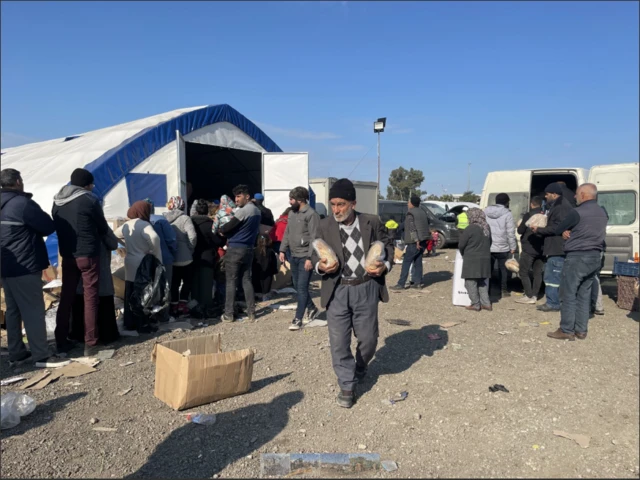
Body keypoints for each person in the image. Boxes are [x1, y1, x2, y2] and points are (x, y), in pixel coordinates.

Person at [311, 179, 394, 409]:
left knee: (368, 339)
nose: (336, 209)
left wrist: (384, 266)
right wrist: (320, 267)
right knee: (338, 342)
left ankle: (360, 365)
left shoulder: (372, 222)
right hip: (337, 289)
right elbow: (315, 252)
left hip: (365, 287)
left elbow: (387, 247)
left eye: (341, 204)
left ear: (353, 203)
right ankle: (347, 385)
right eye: (333, 204)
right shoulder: (324, 225)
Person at [1, 168, 64, 366]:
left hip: (5, 267)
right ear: (18, 181)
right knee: (33, 310)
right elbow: (47, 226)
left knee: (13, 311)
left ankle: (17, 353)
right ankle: (41, 355)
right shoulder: (22, 204)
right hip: (25, 265)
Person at [52, 168, 111, 357]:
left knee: (66, 297)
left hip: (68, 256)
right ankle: (91, 343)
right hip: (88, 255)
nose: (93, 187)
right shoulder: (89, 200)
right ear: (86, 184)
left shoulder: (57, 201)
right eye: (91, 184)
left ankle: (61, 340)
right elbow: (102, 226)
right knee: (90, 298)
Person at [547, 183, 608, 341]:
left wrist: (567, 232)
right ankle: (581, 330)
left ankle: (566, 329)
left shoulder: (577, 212)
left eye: (576, 194)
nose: (574, 197)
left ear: (583, 194)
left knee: (568, 293)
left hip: (577, 256)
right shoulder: (603, 212)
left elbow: (558, 228)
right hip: (595, 256)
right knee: (584, 293)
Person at [115, 201, 162, 333]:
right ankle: (142, 323)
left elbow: (114, 235)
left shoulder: (126, 225)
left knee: (129, 291)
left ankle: (130, 323)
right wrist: (154, 253)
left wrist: (125, 245)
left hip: (129, 261)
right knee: (143, 294)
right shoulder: (144, 225)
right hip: (142, 263)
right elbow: (155, 238)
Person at [279, 187, 321, 330]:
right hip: (293, 255)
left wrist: (310, 258)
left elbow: (315, 238)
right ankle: (312, 308)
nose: (289, 202)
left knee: (302, 288)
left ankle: (298, 319)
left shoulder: (311, 214)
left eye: (292, 199)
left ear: (300, 200)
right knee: (297, 286)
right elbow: (287, 232)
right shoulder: (291, 213)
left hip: (305, 257)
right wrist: (282, 249)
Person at [71, 226, 120, 345]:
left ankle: (79, 334)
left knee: (82, 300)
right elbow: (113, 244)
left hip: (78, 270)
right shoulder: (100, 225)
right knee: (101, 301)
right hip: (99, 269)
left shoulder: (72, 224)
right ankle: (104, 335)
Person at [219, 184, 261, 323]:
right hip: (248, 248)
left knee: (231, 281)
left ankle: (229, 314)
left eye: (238, 196)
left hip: (235, 249)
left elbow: (228, 227)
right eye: (235, 196)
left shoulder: (243, 211)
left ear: (247, 196)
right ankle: (251, 312)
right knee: (246, 280)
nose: (236, 200)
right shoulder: (256, 211)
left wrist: (222, 230)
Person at [531, 183, 574, 312]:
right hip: (556, 246)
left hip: (557, 247)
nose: (545, 196)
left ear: (554, 194)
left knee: (552, 277)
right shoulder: (559, 205)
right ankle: (554, 301)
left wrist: (539, 229)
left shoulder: (560, 207)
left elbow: (558, 227)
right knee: (554, 276)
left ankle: (553, 303)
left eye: (547, 194)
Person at [163, 196, 197, 317]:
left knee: (174, 283)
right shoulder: (185, 218)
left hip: (171, 256)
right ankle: (182, 306)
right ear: (182, 205)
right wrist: (190, 248)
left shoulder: (164, 219)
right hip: (186, 257)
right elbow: (192, 236)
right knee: (187, 282)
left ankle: (173, 306)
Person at [191, 200, 224, 315]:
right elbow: (218, 241)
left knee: (194, 282)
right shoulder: (210, 224)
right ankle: (206, 307)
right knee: (206, 283)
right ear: (207, 211)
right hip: (208, 256)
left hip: (193, 256)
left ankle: (194, 306)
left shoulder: (190, 223)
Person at [391, 196, 430, 291]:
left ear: (412, 203)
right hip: (424, 240)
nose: (407, 204)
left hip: (414, 242)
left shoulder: (410, 214)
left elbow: (412, 228)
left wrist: (416, 240)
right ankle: (418, 283)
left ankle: (401, 284)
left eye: (408, 202)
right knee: (418, 262)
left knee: (406, 262)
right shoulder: (423, 212)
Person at [458, 208, 493, 312]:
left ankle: (475, 304)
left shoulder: (470, 228)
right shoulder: (486, 227)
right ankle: (486, 303)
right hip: (485, 259)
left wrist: (463, 253)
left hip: (472, 258)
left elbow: (461, 244)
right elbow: (490, 242)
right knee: (482, 282)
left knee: (470, 282)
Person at [484, 193, 516, 297]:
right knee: (503, 269)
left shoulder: (485, 211)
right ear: (507, 202)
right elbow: (510, 232)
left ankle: (486, 290)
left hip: (488, 246)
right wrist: (513, 247)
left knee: (488, 269)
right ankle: (504, 290)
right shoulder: (508, 214)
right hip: (503, 247)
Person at [515, 196, 545, 304]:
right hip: (541, 249)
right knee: (538, 273)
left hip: (529, 248)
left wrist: (519, 225)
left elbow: (520, 230)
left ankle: (528, 295)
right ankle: (535, 295)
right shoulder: (544, 215)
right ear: (541, 205)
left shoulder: (528, 215)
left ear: (531, 204)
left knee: (523, 271)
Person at [145, 198, 178, 292]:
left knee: (150, 290)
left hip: (146, 261)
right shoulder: (161, 220)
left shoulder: (139, 222)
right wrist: (173, 253)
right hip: (164, 258)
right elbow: (171, 239)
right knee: (165, 290)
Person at [252, 233, 279, 300]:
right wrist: (275, 271)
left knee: (257, 288)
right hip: (268, 276)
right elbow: (274, 264)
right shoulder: (271, 252)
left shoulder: (254, 251)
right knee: (266, 291)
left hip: (256, 276)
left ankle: (258, 296)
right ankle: (264, 296)